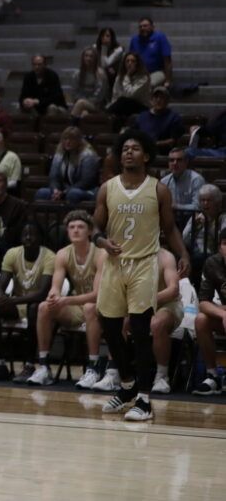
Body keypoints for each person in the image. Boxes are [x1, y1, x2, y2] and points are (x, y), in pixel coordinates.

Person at [92, 128, 190, 422]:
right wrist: (101, 242)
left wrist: (183, 253)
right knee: (108, 327)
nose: (128, 152)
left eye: (135, 148)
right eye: (124, 149)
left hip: (144, 264)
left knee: (139, 329)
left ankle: (145, 400)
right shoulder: (107, 188)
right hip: (114, 264)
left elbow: (170, 228)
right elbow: (96, 227)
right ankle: (126, 386)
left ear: (146, 155)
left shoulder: (158, 189)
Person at [30, 210, 106, 387]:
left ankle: (93, 368)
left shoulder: (101, 254)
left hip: (102, 306)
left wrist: (67, 300)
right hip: (77, 306)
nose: (76, 230)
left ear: (89, 231)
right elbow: (56, 286)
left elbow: (97, 295)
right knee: (43, 307)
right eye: (72, 227)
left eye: (80, 227)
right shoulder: (63, 254)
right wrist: (53, 295)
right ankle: (43, 367)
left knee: (89, 307)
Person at [0, 222, 55, 382]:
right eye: (24, 234)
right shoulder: (12, 254)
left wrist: (12, 300)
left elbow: (41, 294)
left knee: (34, 309)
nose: (28, 237)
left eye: (32, 234)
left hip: (41, 306)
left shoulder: (50, 257)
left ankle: (29, 365)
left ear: (40, 237)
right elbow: (2, 285)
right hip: (17, 303)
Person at [191, 227, 226, 396]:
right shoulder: (212, 263)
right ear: (220, 247)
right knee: (201, 319)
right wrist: (223, 313)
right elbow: (203, 302)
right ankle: (213, 376)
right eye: (225, 244)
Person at [34, 127, 100, 204]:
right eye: (65, 139)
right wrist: (56, 190)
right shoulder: (60, 153)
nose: (68, 142)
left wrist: (65, 192)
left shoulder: (88, 155)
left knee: (73, 194)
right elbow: (53, 177)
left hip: (85, 191)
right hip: (64, 190)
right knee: (41, 193)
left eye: (71, 139)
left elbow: (86, 182)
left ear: (79, 141)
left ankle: (73, 216)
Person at [149, 249, 182, 394]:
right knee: (117, 319)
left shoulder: (166, 256)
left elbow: (173, 290)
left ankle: (162, 376)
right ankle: (115, 372)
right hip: (137, 304)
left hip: (168, 304)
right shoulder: (128, 253)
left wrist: (145, 300)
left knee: (158, 323)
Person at [183, 184, 226, 290]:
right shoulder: (196, 216)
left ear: (217, 202)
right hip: (196, 254)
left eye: (209, 200)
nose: (205, 203)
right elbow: (184, 239)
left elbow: (222, 240)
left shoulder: (223, 218)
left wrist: (208, 227)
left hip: (215, 254)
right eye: (202, 200)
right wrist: (193, 227)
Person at [128, 17, 173, 88]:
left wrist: (168, 80)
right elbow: (130, 59)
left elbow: (167, 60)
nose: (142, 28)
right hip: (140, 73)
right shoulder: (134, 40)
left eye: (145, 26)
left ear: (152, 27)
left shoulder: (160, 37)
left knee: (149, 84)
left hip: (157, 71)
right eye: (140, 27)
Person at [135, 86, 184, 151]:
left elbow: (173, 140)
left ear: (167, 101)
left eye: (162, 97)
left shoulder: (174, 118)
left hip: (163, 152)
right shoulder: (142, 116)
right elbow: (134, 135)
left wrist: (153, 144)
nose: (158, 100)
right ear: (151, 100)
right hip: (142, 151)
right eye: (156, 97)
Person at [106, 53, 151, 119]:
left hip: (141, 106)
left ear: (137, 63)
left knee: (123, 100)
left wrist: (127, 76)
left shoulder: (143, 78)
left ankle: (105, 114)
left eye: (133, 61)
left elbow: (130, 94)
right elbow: (115, 95)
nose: (130, 63)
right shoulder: (119, 77)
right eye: (127, 61)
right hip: (123, 105)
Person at [161, 147, 204, 216]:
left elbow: (198, 207)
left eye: (179, 160)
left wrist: (176, 207)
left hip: (191, 219)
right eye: (172, 160)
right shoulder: (164, 181)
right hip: (170, 219)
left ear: (186, 162)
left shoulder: (196, 180)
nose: (175, 163)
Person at [69, 46, 110, 118]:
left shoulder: (100, 74)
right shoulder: (77, 74)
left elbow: (100, 94)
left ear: (95, 59)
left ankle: (70, 124)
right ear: (83, 58)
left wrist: (86, 101)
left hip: (97, 105)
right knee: (84, 114)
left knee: (81, 103)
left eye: (91, 56)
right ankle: (75, 128)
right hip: (81, 103)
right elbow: (74, 92)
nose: (88, 58)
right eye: (86, 56)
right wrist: (83, 100)